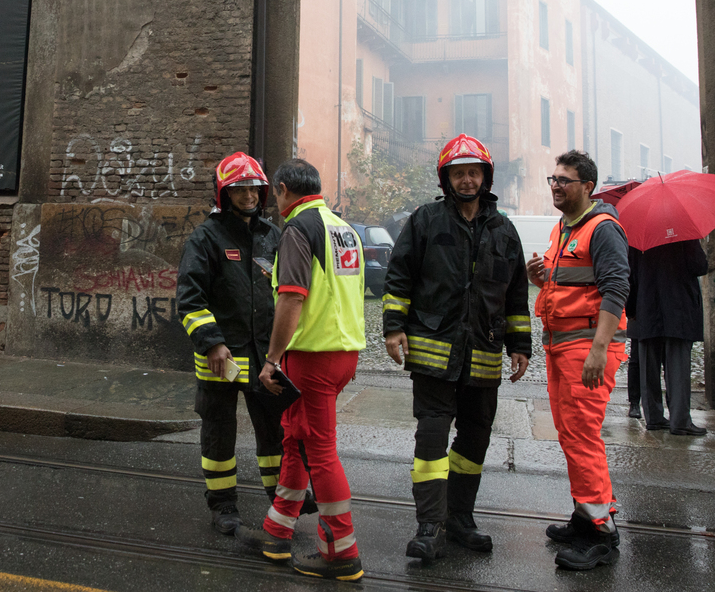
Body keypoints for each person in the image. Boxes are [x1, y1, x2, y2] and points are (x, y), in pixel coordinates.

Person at [381, 134, 531, 563]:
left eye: (474, 172)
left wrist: (520, 344)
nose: (467, 180)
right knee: (431, 436)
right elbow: (398, 278)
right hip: (433, 352)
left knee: (475, 438)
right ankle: (429, 524)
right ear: (446, 178)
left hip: (483, 353)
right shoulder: (425, 220)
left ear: (486, 177)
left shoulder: (504, 229)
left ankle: (460, 519)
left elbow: (516, 291)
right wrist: (394, 329)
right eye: (459, 173)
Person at [237, 158, 366, 582]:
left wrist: (271, 360)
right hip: (341, 350)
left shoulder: (298, 228)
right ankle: (277, 531)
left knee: (320, 451)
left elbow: (292, 297)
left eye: (274, 193)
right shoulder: (341, 227)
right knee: (295, 440)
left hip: (312, 355)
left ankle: (340, 551)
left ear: (283, 190)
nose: (273, 201)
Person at [526, 150, 630, 571]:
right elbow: (568, 284)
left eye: (564, 180)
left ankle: (600, 533)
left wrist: (600, 349)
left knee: (582, 436)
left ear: (587, 187)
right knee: (571, 434)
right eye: (552, 179)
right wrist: (539, 277)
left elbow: (616, 287)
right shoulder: (563, 230)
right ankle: (584, 515)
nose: (555, 185)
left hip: (586, 349)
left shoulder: (602, 229)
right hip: (561, 346)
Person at [176, 152, 286, 535]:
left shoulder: (273, 235)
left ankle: (281, 499)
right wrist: (211, 343)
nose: (249, 195)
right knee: (220, 431)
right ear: (225, 193)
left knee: (274, 429)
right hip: (221, 356)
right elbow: (190, 299)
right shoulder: (206, 236)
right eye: (239, 189)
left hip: (264, 357)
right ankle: (223, 506)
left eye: (254, 188)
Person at [627, 239, 709, 435]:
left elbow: (630, 275)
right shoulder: (684, 236)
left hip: (646, 307)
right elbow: (700, 266)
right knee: (678, 366)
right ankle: (680, 421)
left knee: (649, 366)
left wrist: (631, 310)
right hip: (678, 308)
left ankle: (654, 417)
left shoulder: (638, 239)